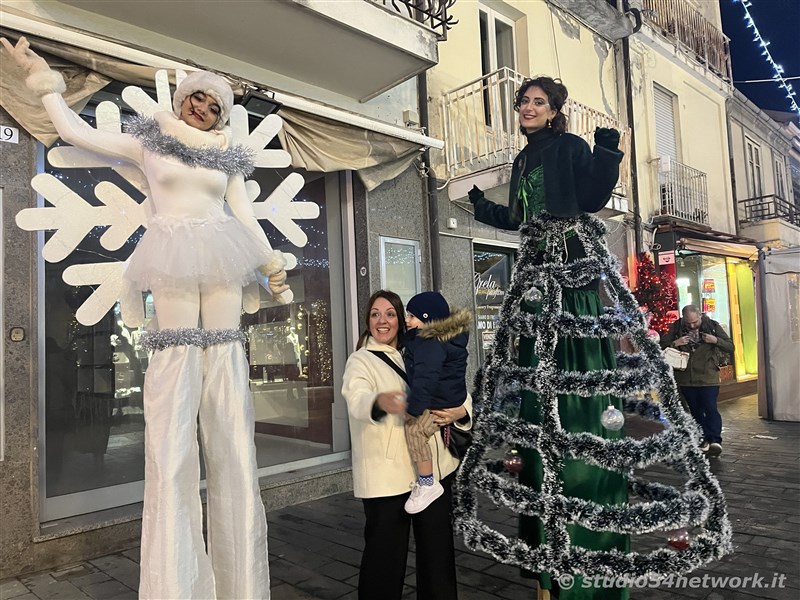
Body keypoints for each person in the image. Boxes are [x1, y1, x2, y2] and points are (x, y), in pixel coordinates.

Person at [2, 36, 286, 599]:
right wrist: (46, 85)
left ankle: (240, 583)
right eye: (197, 100)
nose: (202, 111)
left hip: (225, 261)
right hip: (173, 256)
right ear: (183, 99)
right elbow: (79, 133)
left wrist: (271, 263)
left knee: (226, 382)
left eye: (214, 107)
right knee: (176, 379)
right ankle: (179, 581)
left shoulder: (227, 156)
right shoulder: (152, 142)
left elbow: (244, 213)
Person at [467, 76, 626, 600]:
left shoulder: (568, 146)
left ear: (554, 110)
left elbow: (594, 196)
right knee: (538, 400)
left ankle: (585, 544)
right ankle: (545, 554)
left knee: (576, 394)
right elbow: (516, 218)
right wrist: (475, 202)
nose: (528, 108)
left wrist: (606, 148)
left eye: (538, 102)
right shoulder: (521, 161)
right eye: (523, 102)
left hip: (568, 282)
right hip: (533, 282)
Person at [341, 290, 472, 600]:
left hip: (434, 473)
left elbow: (454, 388)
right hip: (387, 477)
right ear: (368, 321)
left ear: (401, 319)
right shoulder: (361, 359)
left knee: (437, 557)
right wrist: (380, 401)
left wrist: (463, 410)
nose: (382, 320)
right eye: (375, 314)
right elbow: (355, 399)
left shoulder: (423, 345)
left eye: (389, 313)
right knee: (383, 561)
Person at [402, 291, 470, 514]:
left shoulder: (430, 344)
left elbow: (425, 378)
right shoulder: (446, 339)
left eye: (412, 316)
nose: (407, 320)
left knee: (414, 430)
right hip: (448, 397)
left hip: (438, 403)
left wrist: (414, 409)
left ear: (427, 318)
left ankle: (427, 482)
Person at [661, 305, 734, 457]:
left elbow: (730, 346)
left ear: (700, 315)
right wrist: (675, 343)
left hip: (708, 377)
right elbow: (661, 347)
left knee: (710, 408)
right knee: (695, 411)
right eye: (688, 323)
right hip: (685, 378)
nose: (692, 325)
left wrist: (715, 340)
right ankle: (703, 439)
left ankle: (715, 440)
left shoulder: (712, 326)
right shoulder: (676, 328)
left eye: (695, 322)